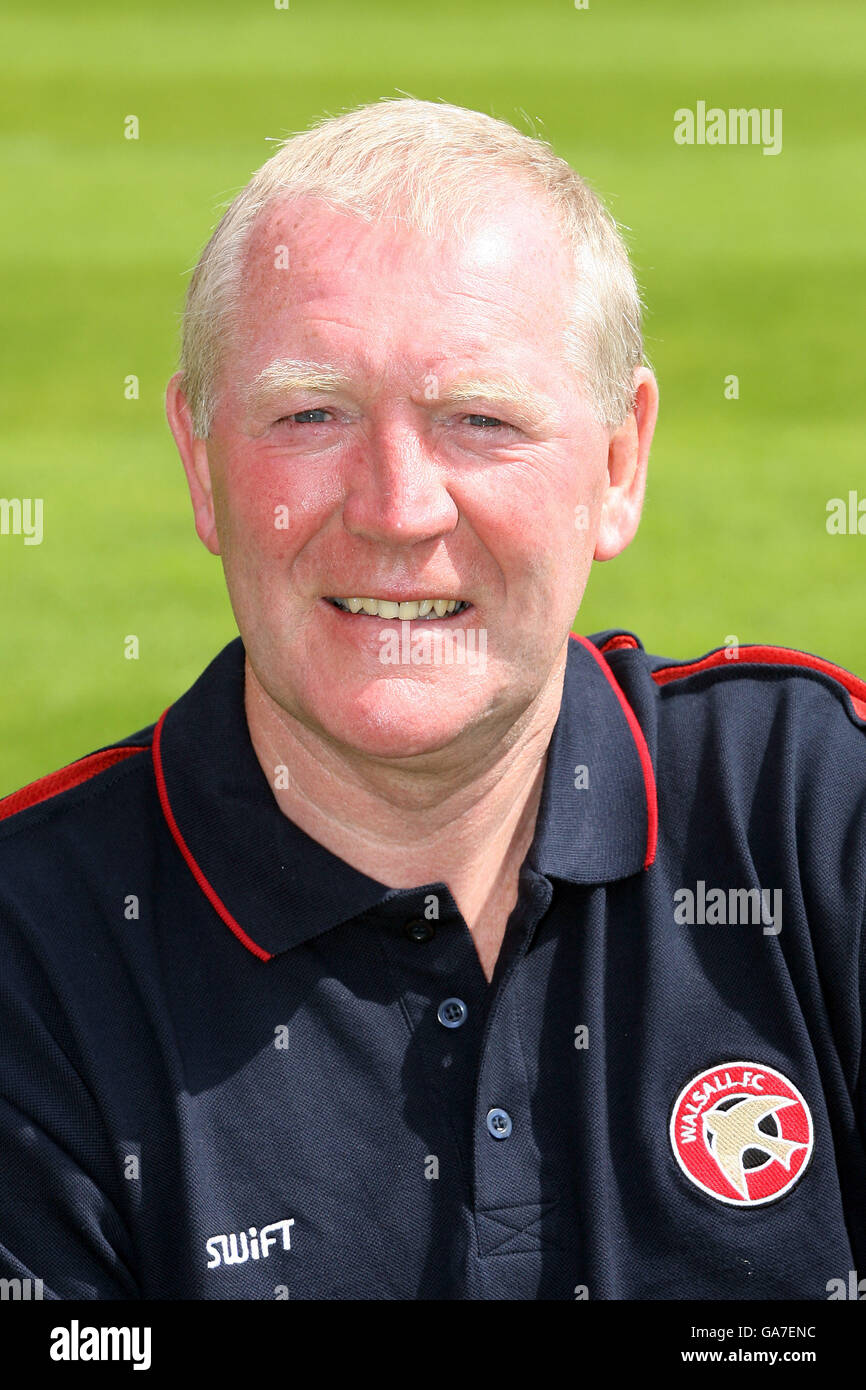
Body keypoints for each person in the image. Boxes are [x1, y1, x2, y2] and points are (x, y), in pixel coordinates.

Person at [0, 99, 863, 1302]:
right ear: (201, 461)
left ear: (619, 463)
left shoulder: (815, 811)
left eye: (479, 420)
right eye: (310, 414)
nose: (397, 507)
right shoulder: (29, 948)